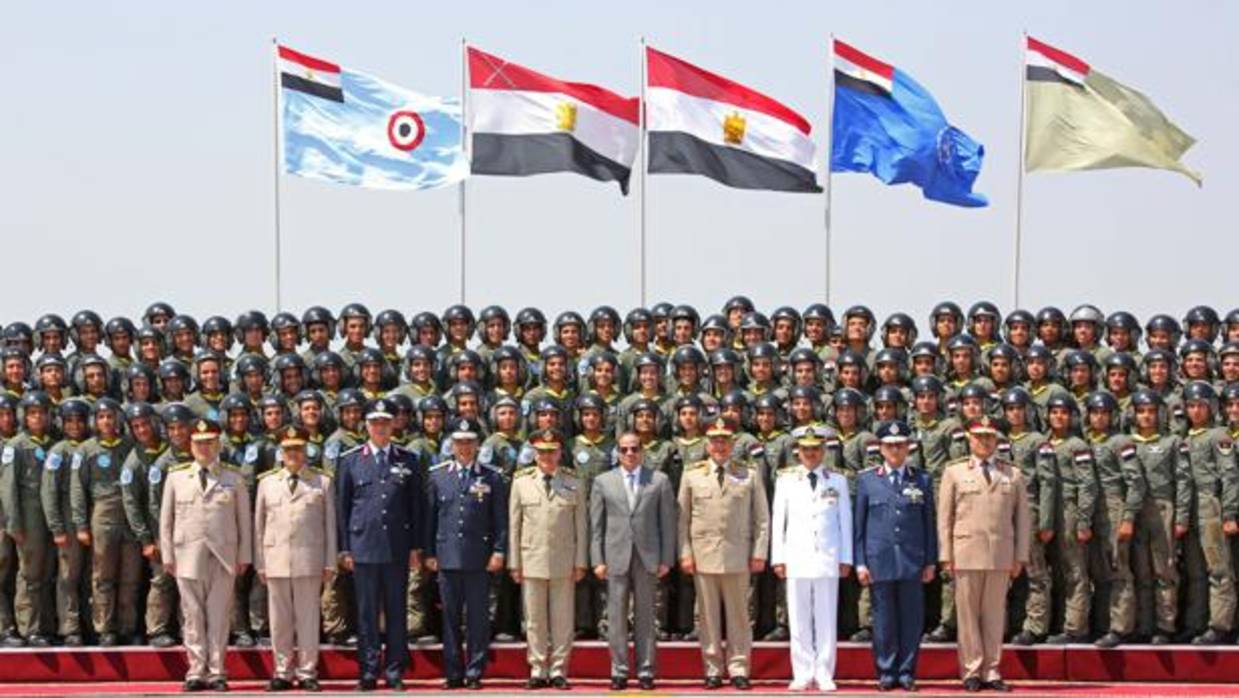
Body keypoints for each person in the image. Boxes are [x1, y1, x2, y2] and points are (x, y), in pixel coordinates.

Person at [938, 416, 1030, 693]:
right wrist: (946, 554)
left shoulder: (1012, 474)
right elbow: (945, 518)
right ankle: (971, 670)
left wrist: (1020, 556)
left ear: (997, 440)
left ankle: (992, 669)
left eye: (990, 437)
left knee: (993, 616)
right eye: (979, 437)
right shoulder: (954, 472)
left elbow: (1023, 519)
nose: (985, 441)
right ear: (969, 438)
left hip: (1000, 554)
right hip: (965, 552)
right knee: (967, 616)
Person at [159, 418, 252, 692]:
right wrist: (167, 555)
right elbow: (166, 520)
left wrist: (244, 555)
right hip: (187, 555)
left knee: (220, 616)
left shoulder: (233, 478)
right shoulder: (176, 477)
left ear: (218, 444)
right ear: (190, 446)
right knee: (192, 616)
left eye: (209, 443)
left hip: (223, 556)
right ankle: (195, 670)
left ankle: (218, 671)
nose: (204, 448)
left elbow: (243, 521)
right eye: (199, 443)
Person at [336, 399, 423, 691]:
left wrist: (415, 548)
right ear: (367, 426)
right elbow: (343, 508)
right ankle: (369, 670)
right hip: (363, 547)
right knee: (367, 612)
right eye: (375, 423)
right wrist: (345, 548)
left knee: (397, 611)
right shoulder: (350, 460)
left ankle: (396, 670)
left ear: (393, 425)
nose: (380, 428)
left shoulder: (407, 459)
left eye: (386, 422)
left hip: (397, 548)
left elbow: (416, 508)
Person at [677, 417, 769, 691]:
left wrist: (759, 552)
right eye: (715, 441)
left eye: (724, 440)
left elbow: (761, 519)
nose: (720, 446)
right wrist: (685, 553)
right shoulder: (691, 474)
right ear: (707, 445)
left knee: (740, 616)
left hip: (738, 555)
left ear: (733, 444)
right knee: (707, 617)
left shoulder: (748, 474)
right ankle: (713, 668)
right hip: (703, 555)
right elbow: (682, 519)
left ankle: (739, 667)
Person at [854, 420, 938, 692]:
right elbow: (859, 526)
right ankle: (887, 671)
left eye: (900, 445)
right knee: (883, 621)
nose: (894, 450)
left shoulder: (922, 479)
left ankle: (906, 671)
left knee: (912, 620)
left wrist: (930, 561)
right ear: (880, 448)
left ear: (908, 448)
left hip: (913, 560)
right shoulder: (868, 480)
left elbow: (929, 524)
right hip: (879, 561)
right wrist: (860, 562)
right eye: (889, 445)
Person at [589, 431, 676, 691]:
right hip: (615, 556)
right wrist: (597, 559)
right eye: (624, 449)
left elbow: (667, 524)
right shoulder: (603, 481)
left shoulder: (659, 481)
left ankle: (646, 670)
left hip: (648, 556)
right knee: (615, 617)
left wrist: (666, 559)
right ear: (617, 452)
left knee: (646, 616)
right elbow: (596, 526)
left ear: (643, 451)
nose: (629, 453)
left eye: (634, 449)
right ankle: (619, 670)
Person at [426, 417, 508, 690]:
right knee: (449, 619)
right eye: (459, 442)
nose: (464, 447)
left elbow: (500, 520)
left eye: (469, 442)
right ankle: (453, 671)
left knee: (477, 619)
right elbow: (430, 519)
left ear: (477, 445)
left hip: (478, 558)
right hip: (447, 557)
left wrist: (498, 551)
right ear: (451, 445)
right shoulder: (438, 476)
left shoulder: (491, 476)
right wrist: (429, 552)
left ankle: (474, 671)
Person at [254, 426, 336, 692]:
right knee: (279, 621)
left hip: (309, 560)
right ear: (281, 452)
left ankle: (307, 671)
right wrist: (260, 562)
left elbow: (329, 526)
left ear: (306, 451)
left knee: (309, 619)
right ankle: (282, 671)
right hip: (276, 558)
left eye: (298, 449)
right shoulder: (266, 483)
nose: (293, 454)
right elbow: (259, 526)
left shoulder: (321, 482)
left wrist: (329, 562)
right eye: (288, 449)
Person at [770, 425, 853, 692]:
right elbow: (778, 521)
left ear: (824, 451)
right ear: (798, 452)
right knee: (798, 618)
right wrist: (778, 558)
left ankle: (825, 672)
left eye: (816, 449)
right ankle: (802, 672)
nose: (811, 454)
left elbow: (845, 522)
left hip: (828, 557)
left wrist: (846, 557)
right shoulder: (785, 480)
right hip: (796, 557)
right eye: (806, 449)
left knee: (827, 619)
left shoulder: (837, 480)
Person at [508, 429, 588, 689]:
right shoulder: (521, 482)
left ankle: (558, 669)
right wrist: (514, 562)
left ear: (560, 453)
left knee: (563, 619)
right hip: (531, 559)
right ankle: (537, 668)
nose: (547, 457)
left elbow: (581, 526)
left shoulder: (574, 482)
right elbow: (514, 526)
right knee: (534, 619)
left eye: (551, 451)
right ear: (534, 453)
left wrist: (580, 561)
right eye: (542, 451)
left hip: (563, 560)